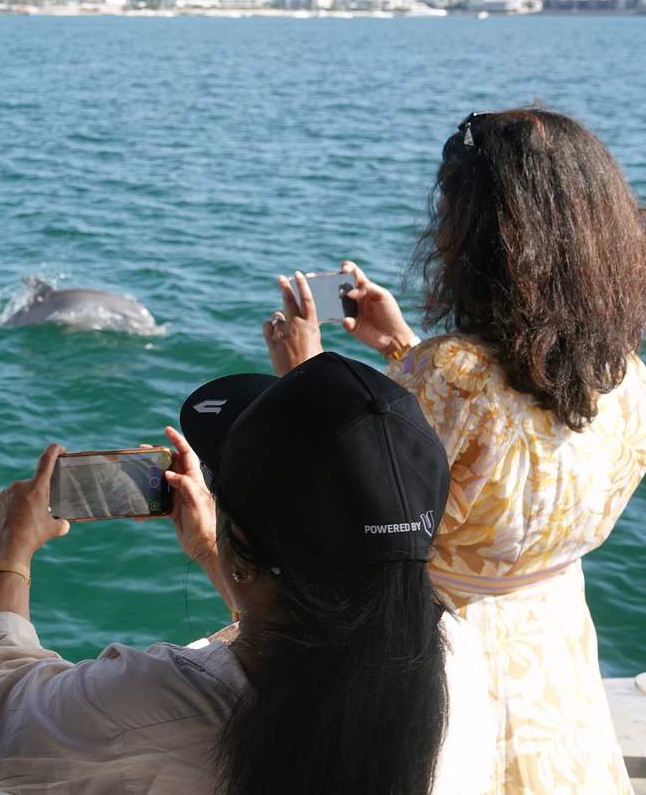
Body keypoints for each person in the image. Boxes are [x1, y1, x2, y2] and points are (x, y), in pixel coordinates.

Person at [263, 108, 646, 794]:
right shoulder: (622, 375)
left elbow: (337, 514)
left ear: (483, 235)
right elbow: (507, 434)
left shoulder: (447, 376)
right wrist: (395, 342)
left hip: (438, 671)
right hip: (551, 655)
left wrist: (304, 376)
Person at [0, 352, 495, 795]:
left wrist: (9, 556)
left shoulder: (176, 701)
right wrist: (221, 551)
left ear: (248, 553)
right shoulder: (460, 654)